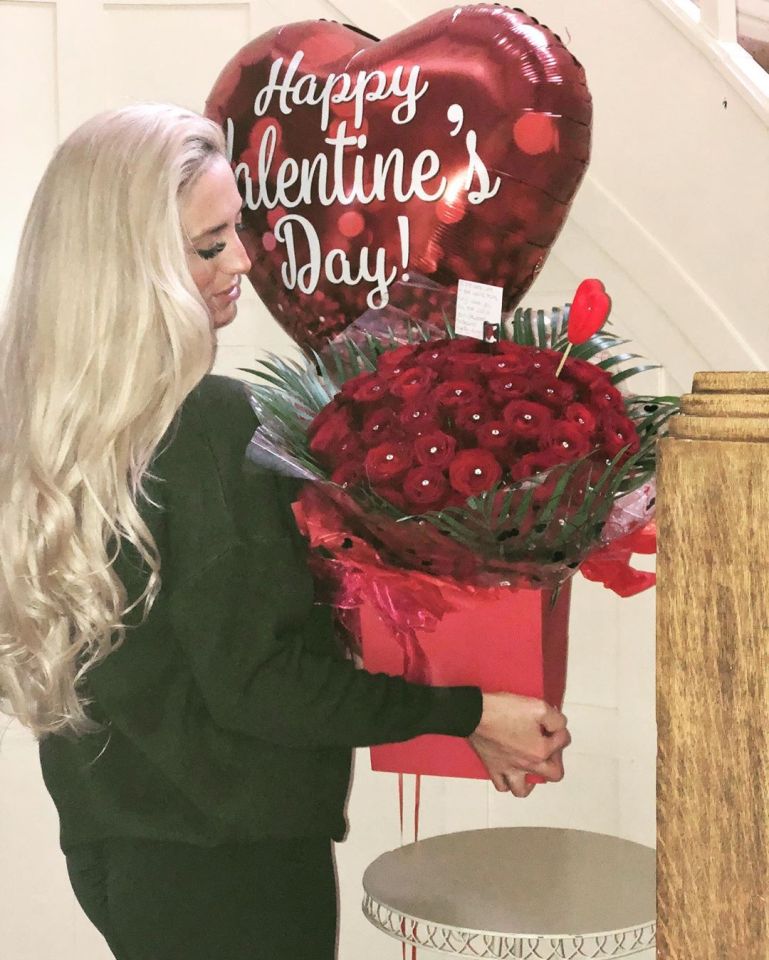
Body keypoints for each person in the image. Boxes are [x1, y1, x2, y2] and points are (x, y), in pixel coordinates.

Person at [0, 103, 570, 960]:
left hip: (121, 854)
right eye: (207, 246)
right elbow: (263, 686)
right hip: (233, 876)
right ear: (126, 266)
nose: (243, 260)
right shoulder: (204, 425)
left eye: (238, 230)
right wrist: (467, 711)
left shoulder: (47, 425)